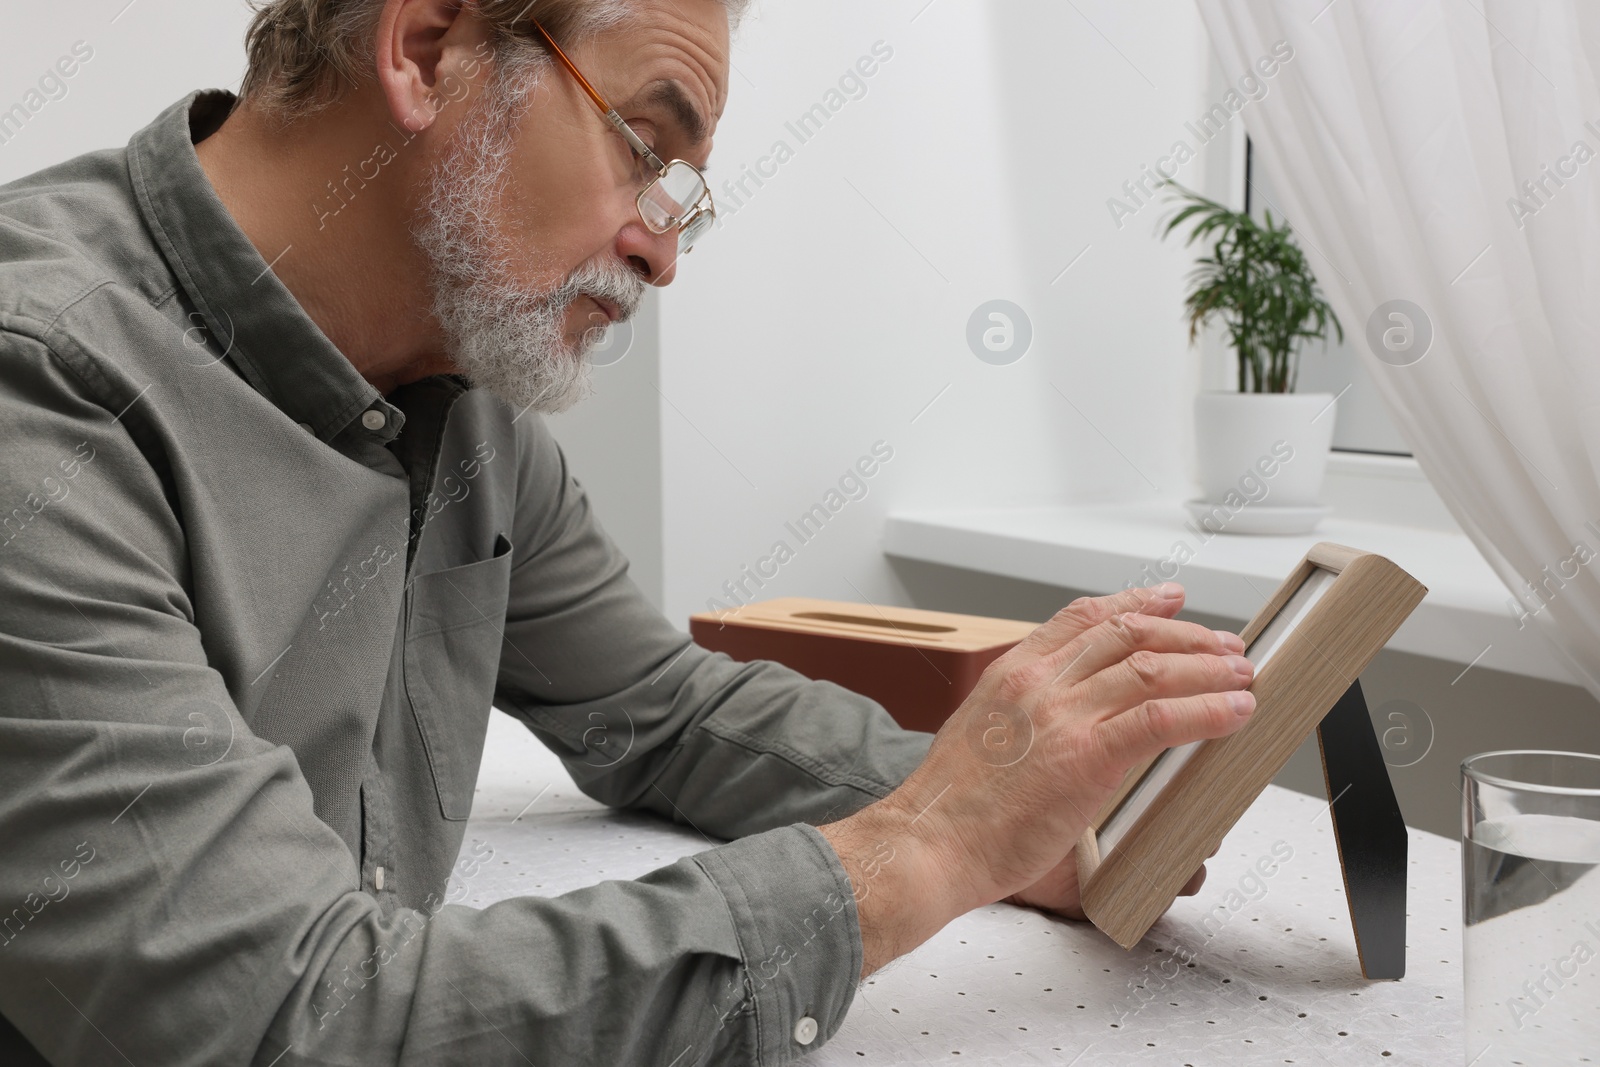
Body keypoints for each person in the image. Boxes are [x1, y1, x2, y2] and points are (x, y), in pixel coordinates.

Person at [0, 0, 1257, 1063]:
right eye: (642, 145)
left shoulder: (454, 395)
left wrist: (1019, 805)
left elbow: (661, 713)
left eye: (682, 193)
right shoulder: (41, 395)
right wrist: (925, 846)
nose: (662, 253)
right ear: (429, 48)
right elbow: (294, 1013)